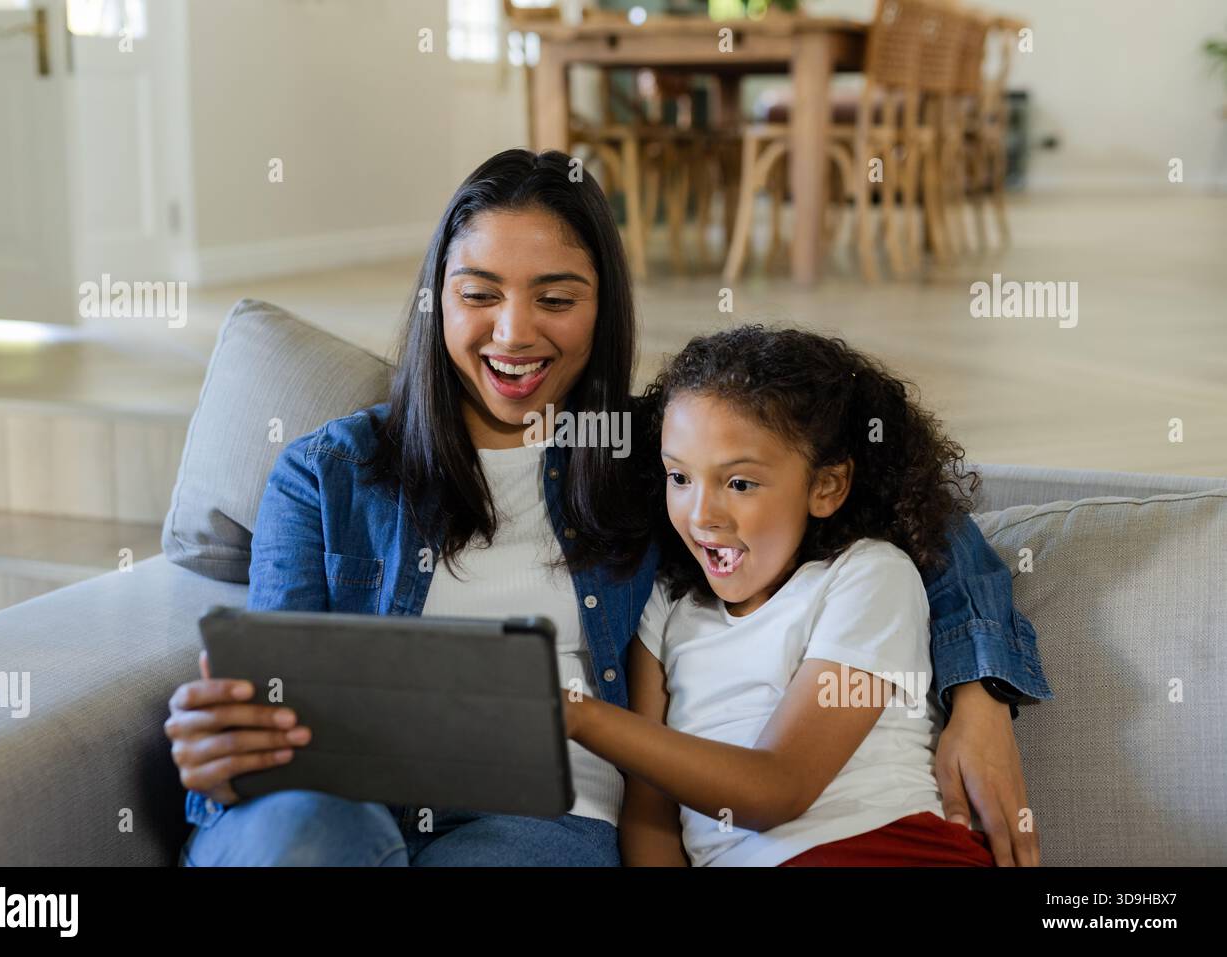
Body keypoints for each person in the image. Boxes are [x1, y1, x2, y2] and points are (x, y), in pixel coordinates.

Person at [164, 148, 1051, 866]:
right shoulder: (327, 475)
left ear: (604, 307)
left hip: (544, 820)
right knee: (300, 836)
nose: (514, 334)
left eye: (556, 297)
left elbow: (915, 519)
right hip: (341, 809)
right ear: (439, 302)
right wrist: (226, 763)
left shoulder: (655, 456)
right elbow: (275, 699)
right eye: (479, 295)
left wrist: (979, 693)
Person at [563, 325, 1005, 866]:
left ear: (826, 487)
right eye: (679, 476)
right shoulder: (667, 609)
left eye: (739, 483)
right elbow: (650, 812)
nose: (701, 514)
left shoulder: (867, 577)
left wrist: (576, 717)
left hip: (886, 852)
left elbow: (777, 788)